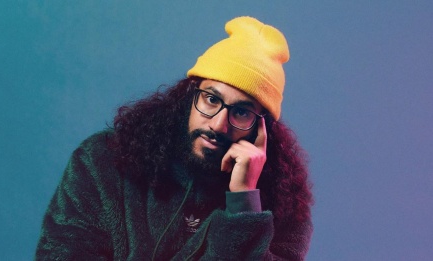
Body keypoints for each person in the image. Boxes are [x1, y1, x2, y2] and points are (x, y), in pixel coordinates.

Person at [36, 16, 313, 260]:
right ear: (189, 94)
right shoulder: (101, 162)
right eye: (211, 99)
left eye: (241, 112)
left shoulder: (282, 207)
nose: (218, 124)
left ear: (261, 128)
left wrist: (243, 206)